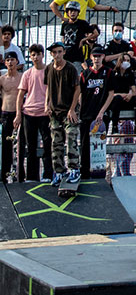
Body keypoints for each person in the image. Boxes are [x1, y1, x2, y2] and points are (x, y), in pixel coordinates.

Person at [44, 42, 80, 187]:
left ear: (64, 52)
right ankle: (59, 171)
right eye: (54, 52)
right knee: (56, 142)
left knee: (71, 137)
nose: (57, 55)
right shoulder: (48, 69)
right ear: (51, 54)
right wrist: (46, 103)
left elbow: (77, 89)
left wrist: (72, 109)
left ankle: (74, 169)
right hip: (55, 111)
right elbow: (48, 87)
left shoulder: (71, 68)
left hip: (68, 110)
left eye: (59, 52)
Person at [15, 44, 52, 182]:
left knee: (48, 145)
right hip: (29, 113)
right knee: (30, 146)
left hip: (45, 113)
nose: (36, 57)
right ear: (30, 57)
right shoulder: (27, 73)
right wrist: (18, 114)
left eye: (38, 54)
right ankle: (31, 176)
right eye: (33, 55)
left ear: (43, 55)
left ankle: (48, 174)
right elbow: (20, 95)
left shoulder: (49, 71)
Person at [78, 47, 113, 179]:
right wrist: (81, 107)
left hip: (101, 115)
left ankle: (99, 171)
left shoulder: (108, 72)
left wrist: (102, 112)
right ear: (91, 57)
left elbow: (111, 94)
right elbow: (79, 93)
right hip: (87, 113)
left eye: (99, 56)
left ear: (103, 57)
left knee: (99, 144)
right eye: (95, 56)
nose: (97, 59)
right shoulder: (85, 74)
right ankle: (84, 172)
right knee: (85, 144)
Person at [0, 52, 23, 181]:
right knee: (6, 145)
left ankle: (20, 175)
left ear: (17, 61)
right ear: (5, 62)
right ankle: (5, 175)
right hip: (5, 114)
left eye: (12, 60)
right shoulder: (2, 79)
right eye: (8, 60)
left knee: (19, 145)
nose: (10, 62)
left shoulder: (22, 77)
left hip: (19, 113)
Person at [105, 53, 136, 131]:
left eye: (128, 60)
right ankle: (114, 127)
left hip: (126, 99)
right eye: (124, 60)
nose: (126, 62)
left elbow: (134, 91)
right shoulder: (112, 73)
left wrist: (130, 94)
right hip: (115, 100)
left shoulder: (130, 74)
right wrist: (122, 95)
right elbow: (109, 93)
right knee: (118, 98)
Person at [60, 2, 90, 73]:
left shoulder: (82, 23)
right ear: (67, 13)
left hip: (77, 55)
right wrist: (62, 47)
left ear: (78, 12)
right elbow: (63, 37)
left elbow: (95, 33)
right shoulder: (65, 24)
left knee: (77, 75)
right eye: (70, 11)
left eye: (75, 11)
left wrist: (83, 40)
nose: (73, 13)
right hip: (66, 55)